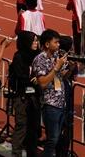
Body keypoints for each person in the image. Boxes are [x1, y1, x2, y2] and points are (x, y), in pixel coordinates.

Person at [32, 29, 70, 157]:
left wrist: (72, 67)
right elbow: (42, 83)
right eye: (56, 42)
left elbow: (62, 76)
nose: (59, 45)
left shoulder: (56, 57)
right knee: (52, 139)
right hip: (50, 104)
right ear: (47, 44)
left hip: (60, 102)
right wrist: (56, 67)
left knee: (57, 138)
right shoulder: (39, 59)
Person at [9, 31, 41, 157]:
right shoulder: (19, 56)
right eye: (33, 41)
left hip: (35, 96)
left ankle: (31, 153)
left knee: (34, 127)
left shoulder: (38, 55)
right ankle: (16, 153)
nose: (36, 43)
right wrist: (32, 80)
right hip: (22, 96)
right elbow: (20, 76)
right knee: (21, 125)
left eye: (36, 40)